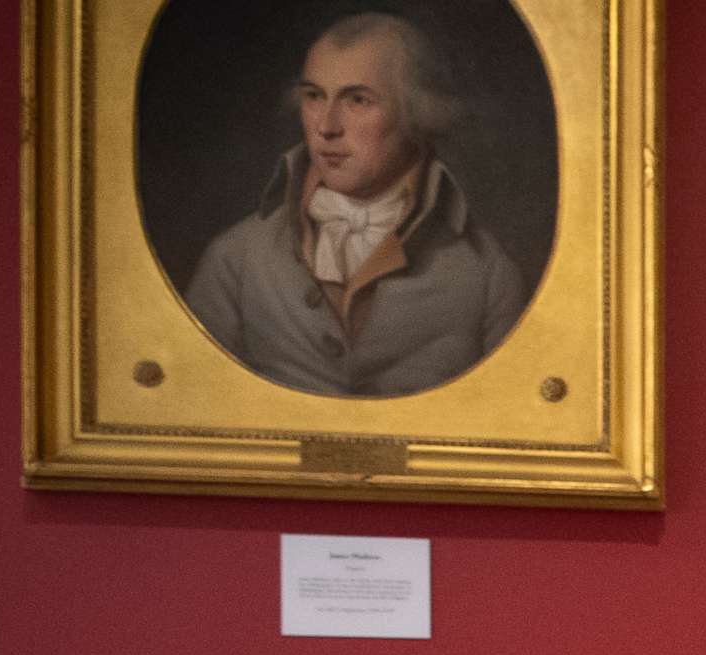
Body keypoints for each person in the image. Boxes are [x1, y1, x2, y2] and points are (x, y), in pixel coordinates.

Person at [182, 11, 530, 398]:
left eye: (358, 100)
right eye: (314, 96)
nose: (327, 126)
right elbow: (196, 408)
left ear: (417, 114)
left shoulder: (487, 277)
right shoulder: (235, 261)